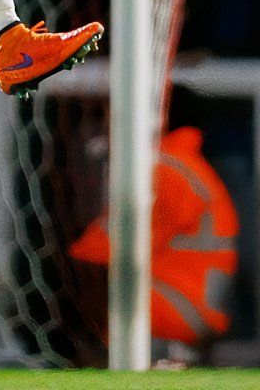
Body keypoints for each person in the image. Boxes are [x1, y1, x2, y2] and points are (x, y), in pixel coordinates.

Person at [69, 127, 238, 363]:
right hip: (185, 308)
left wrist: (68, 259)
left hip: (171, 310)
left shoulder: (167, 171)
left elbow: (121, 243)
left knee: (76, 283)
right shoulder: (181, 165)